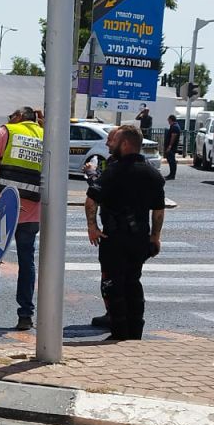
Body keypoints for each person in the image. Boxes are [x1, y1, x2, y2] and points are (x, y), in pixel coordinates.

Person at [87, 121, 166, 340]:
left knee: (112, 284)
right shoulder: (153, 174)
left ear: (125, 144)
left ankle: (119, 332)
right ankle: (135, 333)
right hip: (140, 239)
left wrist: (92, 228)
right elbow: (158, 211)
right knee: (133, 282)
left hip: (115, 238)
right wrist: (155, 238)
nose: (109, 145)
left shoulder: (114, 171)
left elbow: (91, 200)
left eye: (113, 141)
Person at [0, 106, 44, 331]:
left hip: (2, 206)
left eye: (12, 116)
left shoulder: (7, 131)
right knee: (27, 262)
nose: (9, 119)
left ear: (19, 117)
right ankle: (25, 315)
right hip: (32, 209)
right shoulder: (46, 136)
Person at [83, 125, 123, 328]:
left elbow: (98, 193)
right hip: (125, 230)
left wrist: (91, 175)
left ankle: (115, 316)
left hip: (116, 231)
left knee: (111, 275)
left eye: (111, 140)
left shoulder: (118, 166)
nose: (107, 143)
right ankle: (117, 315)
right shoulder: (115, 164)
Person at [163, 113, 181, 180]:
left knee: (172, 161)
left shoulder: (175, 127)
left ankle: (172, 175)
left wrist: (169, 146)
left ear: (171, 119)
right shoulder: (173, 126)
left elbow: (173, 137)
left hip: (172, 147)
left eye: (168, 120)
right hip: (171, 147)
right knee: (170, 161)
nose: (168, 121)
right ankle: (171, 174)